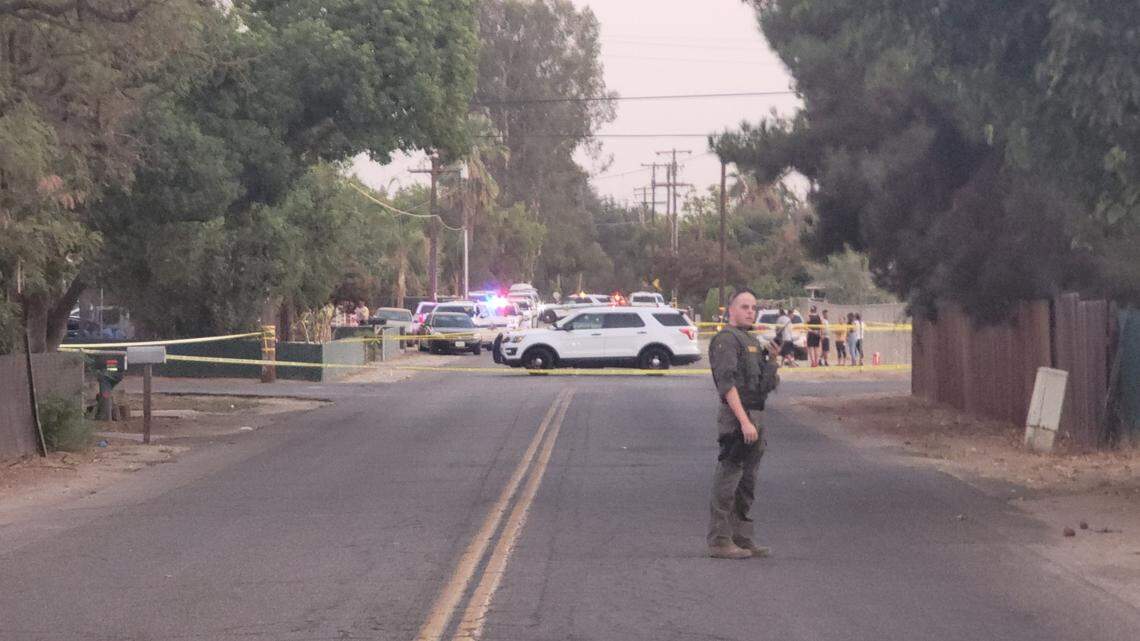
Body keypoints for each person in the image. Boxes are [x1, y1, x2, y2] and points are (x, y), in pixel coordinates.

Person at [707, 288, 777, 560]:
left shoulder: (752, 341)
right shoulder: (726, 340)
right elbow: (726, 385)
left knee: (747, 482)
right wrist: (744, 421)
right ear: (730, 310)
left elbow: (765, 385)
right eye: (745, 306)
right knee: (729, 477)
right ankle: (720, 539)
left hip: (755, 416)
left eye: (753, 307)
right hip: (738, 418)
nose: (751, 311)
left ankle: (742, 537)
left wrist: (773, 359)